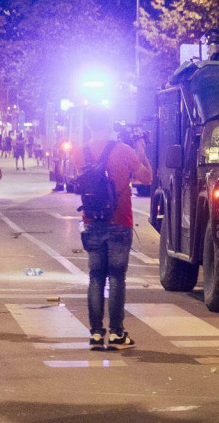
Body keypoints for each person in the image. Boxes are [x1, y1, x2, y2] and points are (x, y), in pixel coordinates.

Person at [74, 108, 152, 351]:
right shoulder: (123, 151)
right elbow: (147, 178)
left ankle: (96, 334)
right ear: (109, 125)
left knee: (95, 277)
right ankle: (117, 334)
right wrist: (142, 152)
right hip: (120, 221)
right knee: (117, 278)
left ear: (88, 125)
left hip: (92, 221)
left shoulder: (79, 153)